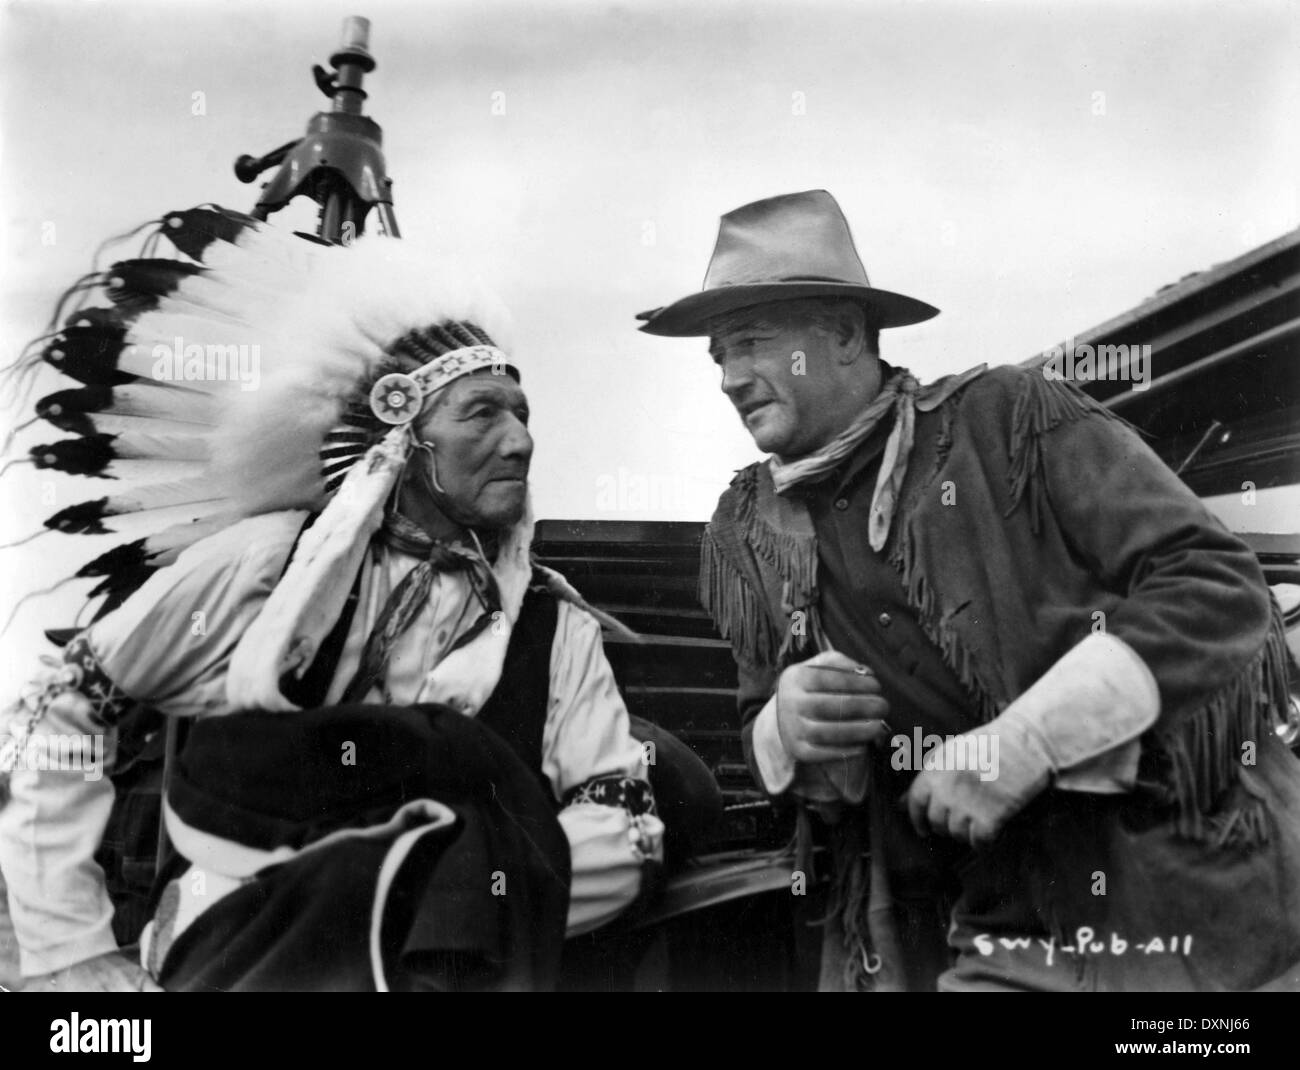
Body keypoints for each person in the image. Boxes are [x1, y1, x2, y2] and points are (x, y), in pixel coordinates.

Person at [636, 188, 1300, 991]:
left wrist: (1028, 741)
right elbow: (757, 724)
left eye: (751, 342)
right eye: (718, 357)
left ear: (845, 335)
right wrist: (787, 724)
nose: (729, 379)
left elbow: (1217, 584)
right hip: (976, 924)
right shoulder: (745, 526)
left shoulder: (1010, 420)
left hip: (1183, 886)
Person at [0, 211, 664, 991]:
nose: (520, 441)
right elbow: (64, 705)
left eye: (522, 414)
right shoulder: (267, 564)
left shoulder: (553, 629)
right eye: (482, 412)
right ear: (400, 434)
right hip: (238, 955)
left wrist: (435, 883)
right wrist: (69, 948)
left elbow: (625, 828)